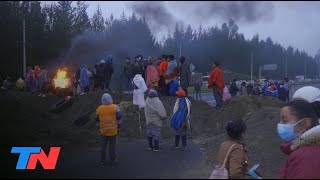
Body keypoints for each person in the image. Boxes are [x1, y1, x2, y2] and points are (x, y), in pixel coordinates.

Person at [277, 100, 320, 179]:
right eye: (280, 121)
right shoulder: (311, 149)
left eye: (284, 121)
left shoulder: (305, 157)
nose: (280, 125)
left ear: (305, 123)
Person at [96, 93, 122, 166]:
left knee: (103, 147)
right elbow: (119, 119)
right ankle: (113, 160)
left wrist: (99, 128)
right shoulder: (115, 107)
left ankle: (102, 161)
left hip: (103, 131)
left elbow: (97, 120)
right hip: (113, 131)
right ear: (110, 98)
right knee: (112, 147)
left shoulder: (99, 108)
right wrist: (119, 127)